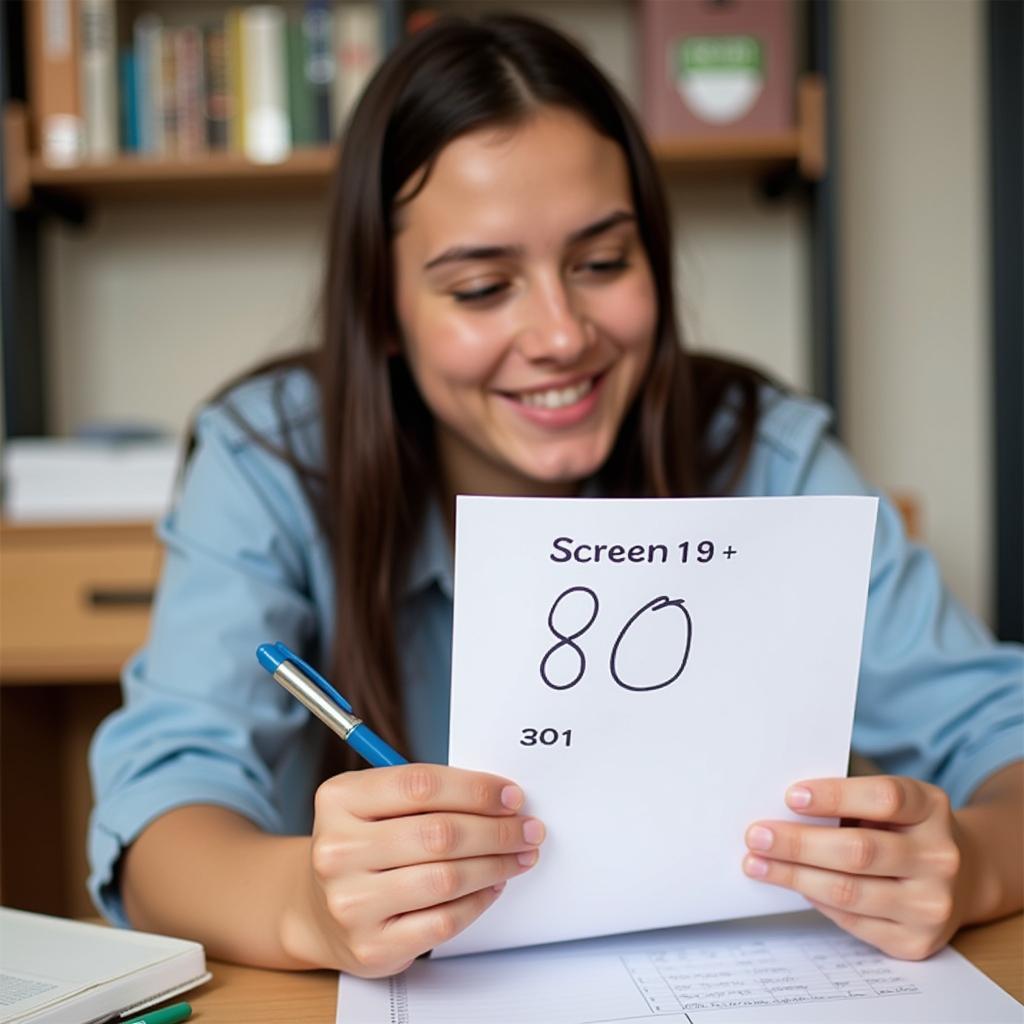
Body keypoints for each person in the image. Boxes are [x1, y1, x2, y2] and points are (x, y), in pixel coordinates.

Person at [88, 13, 1023, 979]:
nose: (562, 335)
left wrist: (977, 860)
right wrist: (307, 908)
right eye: (484, 286)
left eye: (603, 264)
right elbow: (160, 820)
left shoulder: (761, 451)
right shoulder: (272, 459)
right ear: (385, 311)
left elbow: (1003, 732)